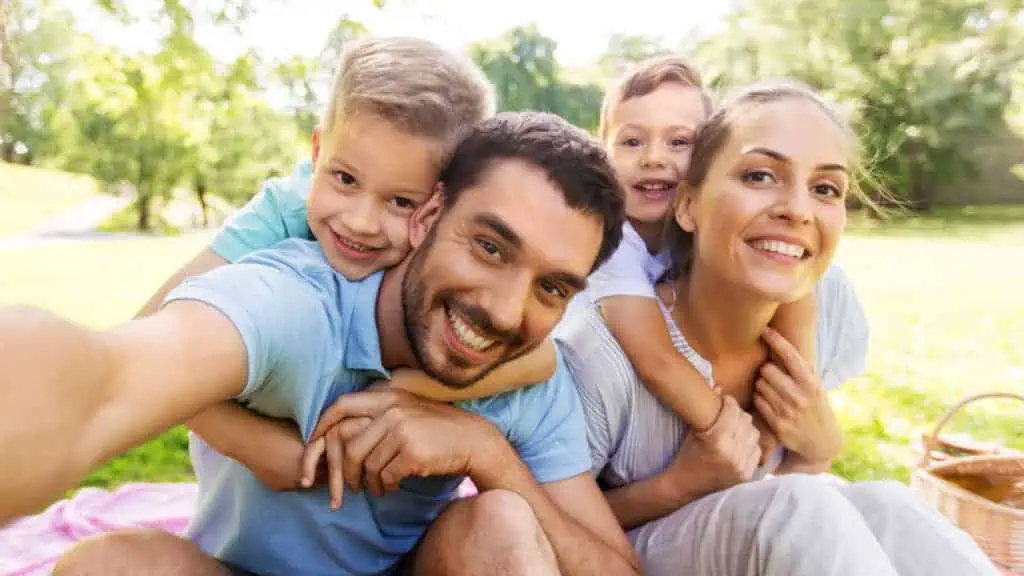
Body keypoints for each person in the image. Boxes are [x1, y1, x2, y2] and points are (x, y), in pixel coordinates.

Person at [0, 111, 640, 575]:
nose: (505, 312)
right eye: (490, 246)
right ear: (426, 215)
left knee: (500, 523)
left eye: (552, 287)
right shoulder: (300, 302)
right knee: (110, 567)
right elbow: (106, 381)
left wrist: (487, 455)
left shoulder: (529, 378)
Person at [557, 81, 1000, 575]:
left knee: (886, 505)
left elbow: (793, 481)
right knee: (798, 507)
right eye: (761, 175)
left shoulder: (826, 302)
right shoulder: (602, 351)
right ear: (687, 206)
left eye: (825, 188)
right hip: (625, 556)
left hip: (762, 536)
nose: (798, 209)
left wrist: (818, 449)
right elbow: (547, 521)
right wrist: (681, 484)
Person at [131, 37, 564, 501]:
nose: (360, 222)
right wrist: (251, 443)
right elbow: (144, 344)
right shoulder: (285, 210)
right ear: (318, 151)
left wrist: (406, 393)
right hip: (250, 492)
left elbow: (541, 359)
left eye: (401, 202)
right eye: (344, 179)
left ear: (443, 204)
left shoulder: (444, 250)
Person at [579, 56, 818, 476]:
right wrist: (730, 430)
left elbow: (795, 294)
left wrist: (783, 414)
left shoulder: (707, 224)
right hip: (598, 405)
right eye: (631, 142)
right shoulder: (611, 240)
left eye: (678, 142)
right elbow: (655, 357)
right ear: (603, 154)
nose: (653, 158)